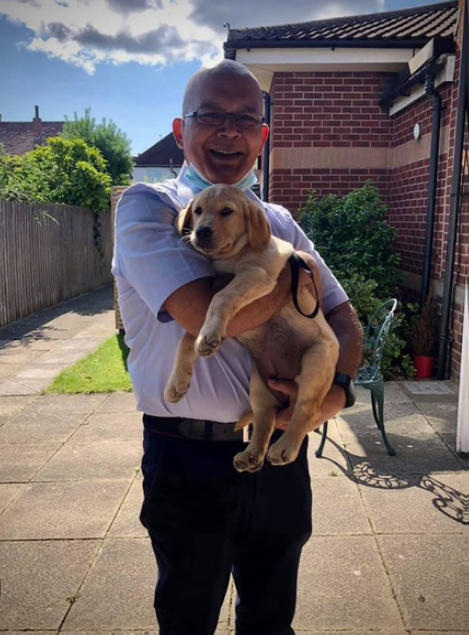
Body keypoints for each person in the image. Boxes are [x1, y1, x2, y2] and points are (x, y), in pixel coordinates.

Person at [112, 59, 363, 635]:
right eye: (211, 116)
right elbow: (207, 316)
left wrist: (336, 395)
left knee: (272, 618)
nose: (229, 131)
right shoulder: (149, 210)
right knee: (187, 617)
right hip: (187, 457)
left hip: (276, 452)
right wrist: (284, 270)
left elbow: (343, 318)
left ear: (262, 137)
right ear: (181, 131)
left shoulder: (278, 219)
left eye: (245, 119)